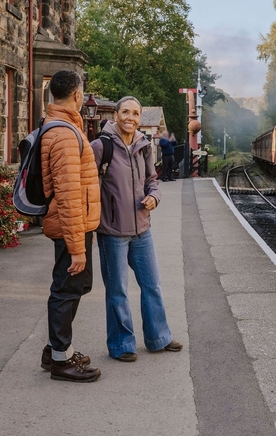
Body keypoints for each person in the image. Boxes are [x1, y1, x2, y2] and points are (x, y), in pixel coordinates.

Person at [91, 96, 182, 361]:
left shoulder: (144, 146)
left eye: (136, 113)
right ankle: (122, 344)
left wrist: (154, 197)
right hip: (112, 231)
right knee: (118, 290)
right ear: (116, 115)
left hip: (142, 228)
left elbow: (152, 180)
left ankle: (158, 338)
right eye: (126, 112)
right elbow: (87, 184)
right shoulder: (100, 146)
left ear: (140, 117)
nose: (131, 118)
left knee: (152, 284)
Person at [40, 70, 102, 382]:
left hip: (75, 224)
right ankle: (61, 361)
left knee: (76, 286)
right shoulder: (64, 134)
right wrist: (78, 248)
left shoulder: (60, 127)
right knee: (67, 288)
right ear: (77, 96)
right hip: (71, 227)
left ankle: (54, 350)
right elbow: (68, 195)